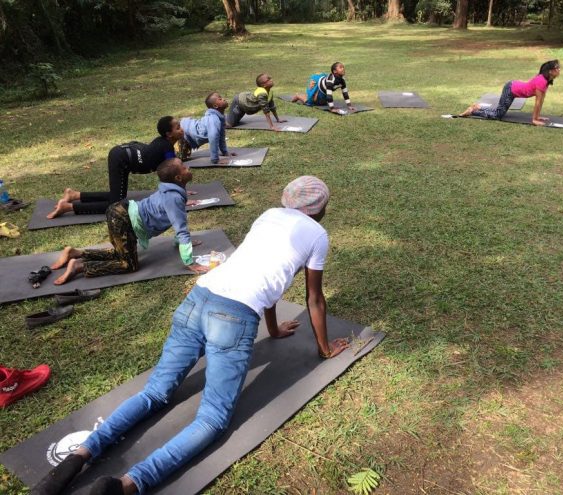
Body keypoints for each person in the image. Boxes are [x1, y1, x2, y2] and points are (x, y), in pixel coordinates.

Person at [34, 176, 349, 495]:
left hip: (198, 298)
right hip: (233, 317)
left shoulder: (268, 214)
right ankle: (128, 485)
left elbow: (264, 274)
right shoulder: (317, 235)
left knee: (154, 393)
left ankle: (77, 458)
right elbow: (314, 298)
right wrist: (323, 349)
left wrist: (273, 328)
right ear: (319, 208)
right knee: (212, 419)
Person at [48, 158, 207, 285]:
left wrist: (180, 243)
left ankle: (75, 253)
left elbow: (175, 220)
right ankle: (79, 266)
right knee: (128, 265)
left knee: (120, 254)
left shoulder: (170, 189)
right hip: (123, 219)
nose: (188, 168)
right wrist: (189, 262)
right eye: (184, 167)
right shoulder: (174, 197)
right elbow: (181, 228)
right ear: (178, 178)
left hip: (120, 212)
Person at [47, 116, 184, 218]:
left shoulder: (163, 142)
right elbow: (172, 172)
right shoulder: (166, 147)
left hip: (122, 155)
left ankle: (74, 195)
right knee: (116, 204)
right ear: (169, 134)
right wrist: (178, 191)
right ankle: (68, 207)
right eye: (178, 127)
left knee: (117, 196)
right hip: (121, 158)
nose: (182, 129)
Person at [459, 60, 561, 126]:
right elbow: (538, 102)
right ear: (551, 71)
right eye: (557, 68)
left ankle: (478, 107)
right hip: (511, 89)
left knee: (498, 111)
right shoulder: (541, 81)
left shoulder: (545, 80)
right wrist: (534, 120)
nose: (559, 69)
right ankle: (472, 111)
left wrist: (537, 117)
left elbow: (541, 100)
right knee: (498, 115)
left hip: (514, 88)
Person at [178, 92, 236, 164]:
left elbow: (221, 136)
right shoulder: (213, 119)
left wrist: (225, 152)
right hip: (184, 131)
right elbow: (213, 138)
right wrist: (215, 159)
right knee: (177, 159)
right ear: (215, 106)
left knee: (181, 157)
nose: (223, 99)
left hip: (188, 130)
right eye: (220, 99)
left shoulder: (220, 117)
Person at [291, 62, 356, 114]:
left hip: (324, 90)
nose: (343, 69)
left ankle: (311, 97)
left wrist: (349, 106)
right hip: (317, 84)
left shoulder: (342, 80)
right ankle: (298, 96)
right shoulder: (330, 80)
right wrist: (332, 109)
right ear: (335, 71)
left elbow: (345, 93)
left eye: (343, 67)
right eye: (341, 67)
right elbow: (329, 95)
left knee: (322, 104)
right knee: (310, 102)